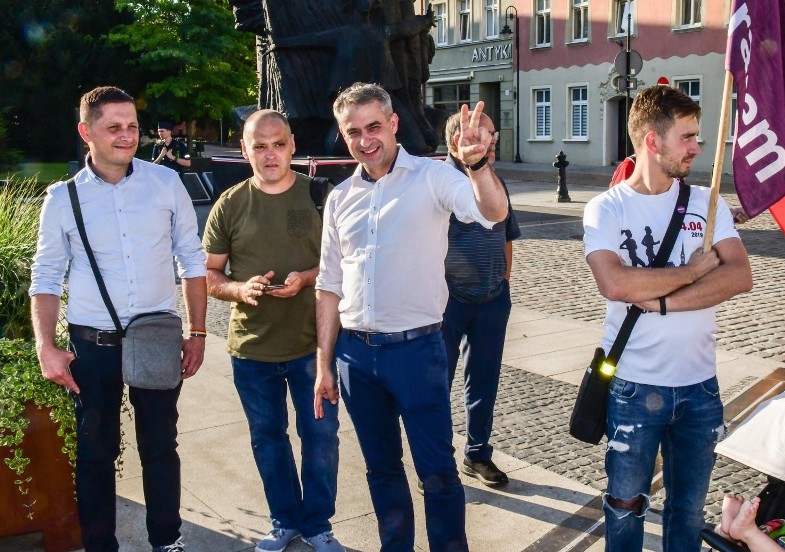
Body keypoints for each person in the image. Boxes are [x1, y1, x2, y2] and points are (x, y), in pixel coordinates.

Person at [313, 82, 508, 551]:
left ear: (394, 123)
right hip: (355, 356)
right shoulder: (340, 197)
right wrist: (324, 362)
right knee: (381, 470)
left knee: (437, 471)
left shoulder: (434, 177)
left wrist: (477, 164)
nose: (365, 140)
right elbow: (328, 284)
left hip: (418, 351)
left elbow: (492, 210)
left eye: (374, 126)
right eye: (353, 131)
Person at [29, 86, 207, 552]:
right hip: (92, 345)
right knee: (94, 453)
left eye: (132, 126)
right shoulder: (62, 198)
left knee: (160, 448)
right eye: (114, 127)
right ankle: (99, 545)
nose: (127, 136)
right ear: (86, 132)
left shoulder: (165, 184)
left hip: (155, 338)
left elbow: (192, 260)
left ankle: (167, 540)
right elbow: (45, 277)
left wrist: (199, 332)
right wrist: (46, 346)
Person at [583, 84, 753, 552]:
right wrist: (693, 272)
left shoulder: (707, 201)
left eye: (698, 135)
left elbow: (740, 276)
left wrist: (662, 300)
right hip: (634, 387)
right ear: (652, 142)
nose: (698, 147)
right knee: (624, 506)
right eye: (688, 137)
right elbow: (615, 284)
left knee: (688, 511)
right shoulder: (608, 207)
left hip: (701, 388)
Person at [202, 109, 344, 552]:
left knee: (320, 437)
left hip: (312, 346)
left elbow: (345, 263)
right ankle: (284, 519)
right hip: (252, 349)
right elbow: (208, 275)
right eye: (258, 146)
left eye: (277, 144)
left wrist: (305, 276)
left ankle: (318, 523)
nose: (269, 154)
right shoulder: (230, 204)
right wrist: (239, 289)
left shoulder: (322, 195)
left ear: (292, 145)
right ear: (244, 150)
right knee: (268, 440)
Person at [441, 110, 520, 487]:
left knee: (484, 380)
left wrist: (502, 280)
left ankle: (477, 454)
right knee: (436, 383)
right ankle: (437, 462)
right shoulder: (437, 181)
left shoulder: (493, 180)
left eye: (492, 135)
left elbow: (506, 233)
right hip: (445, 304)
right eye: (486, 134)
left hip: (491, 299)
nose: (493, 141)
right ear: (460, 138)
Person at [610, 153, 751, 224]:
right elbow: (618, 212)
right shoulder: (630, 166)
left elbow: (683, 207)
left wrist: (727, 214)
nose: (695, 149)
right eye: (684, 138)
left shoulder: (674, 169)